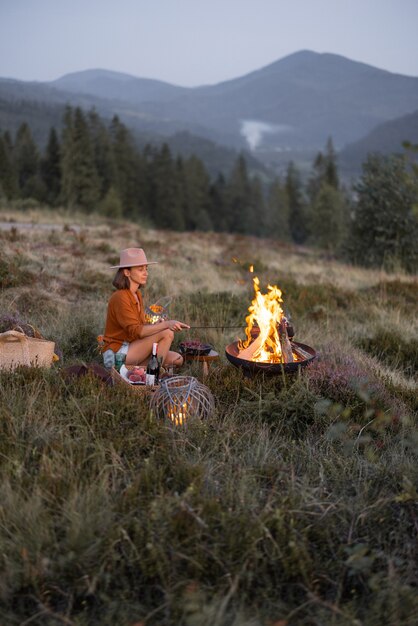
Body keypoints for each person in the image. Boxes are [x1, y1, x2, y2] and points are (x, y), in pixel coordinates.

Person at [101, 247, 189, 370]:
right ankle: (151, 374)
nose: (146, 273)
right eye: (140, 269)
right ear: (127, 272)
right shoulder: (120, 297)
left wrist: (155, 325)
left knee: (177, 359)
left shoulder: (137, 294)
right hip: (118, 352)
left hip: (134, 347)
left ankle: (136, 369)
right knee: (167, 332)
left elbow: (140, 327)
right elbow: (137, 331)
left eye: (146, 269)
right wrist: (166, 325)